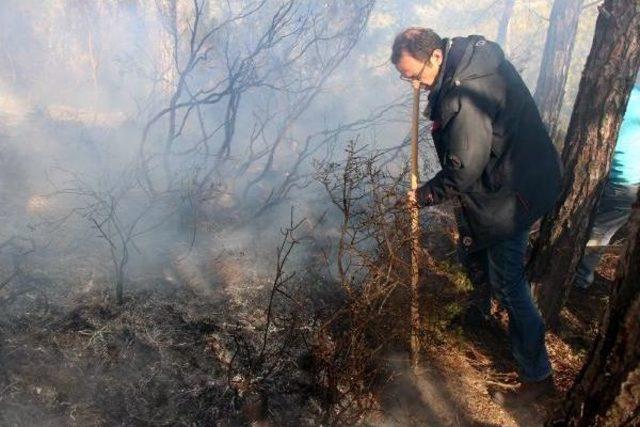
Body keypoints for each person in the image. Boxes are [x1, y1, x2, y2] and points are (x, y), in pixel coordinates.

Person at [390, 28, 563, 405]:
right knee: (471, 253)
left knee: (510, 285)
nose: (413, 85)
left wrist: (424, 195)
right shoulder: (468, 59)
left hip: (513, 192)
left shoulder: (462, 96)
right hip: (514, 175)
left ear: (435, 56)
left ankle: (538, 378)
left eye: (414, 76)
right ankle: (480, 312)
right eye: (405, 78)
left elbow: (464, 169)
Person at [574, 84, 640, 289]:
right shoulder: (628, 92)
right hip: (615, 179)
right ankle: (578, 277)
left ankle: (580, 280)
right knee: (596, 231)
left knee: (598, 233)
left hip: (621, 182)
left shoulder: (626, 91)